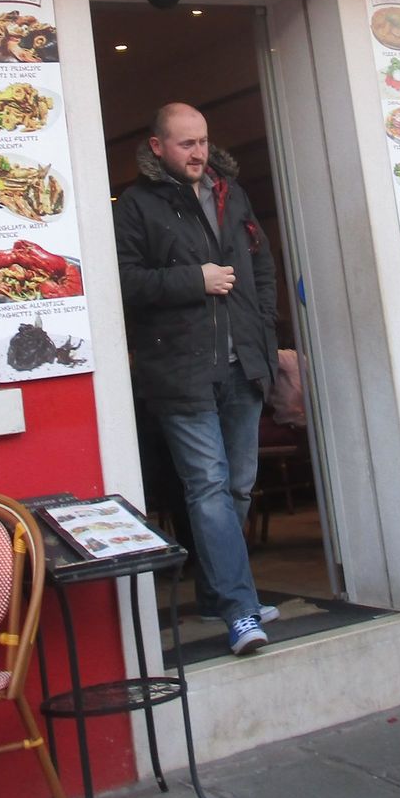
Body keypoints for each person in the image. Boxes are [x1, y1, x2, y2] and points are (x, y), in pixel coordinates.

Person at [115, 102, 279, 656]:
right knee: (207, 487)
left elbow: (261, 266)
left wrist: (263, 328)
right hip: (179, 371)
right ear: (157, 146)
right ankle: (239, 608)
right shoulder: (136, 205)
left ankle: (217, 593)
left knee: (237, 487)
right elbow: (124, 281)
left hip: (242, 364)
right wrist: (194, 280)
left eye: (203, 141)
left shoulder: (232, 193)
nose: (199, 153)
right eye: (186, 144)